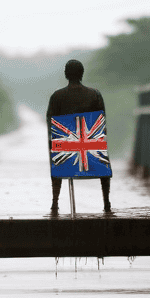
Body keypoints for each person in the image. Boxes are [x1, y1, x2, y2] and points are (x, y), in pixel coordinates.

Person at [46, 59, 111, 213]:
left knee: (55, 150)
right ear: (82, 74)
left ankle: (55, 202)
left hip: (65, 151)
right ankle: (106, 201)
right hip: (91, 151)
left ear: (66, 74)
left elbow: (51, 123)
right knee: (101, 151)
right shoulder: (95, 94)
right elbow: (101, 123)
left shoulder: (57, 96)